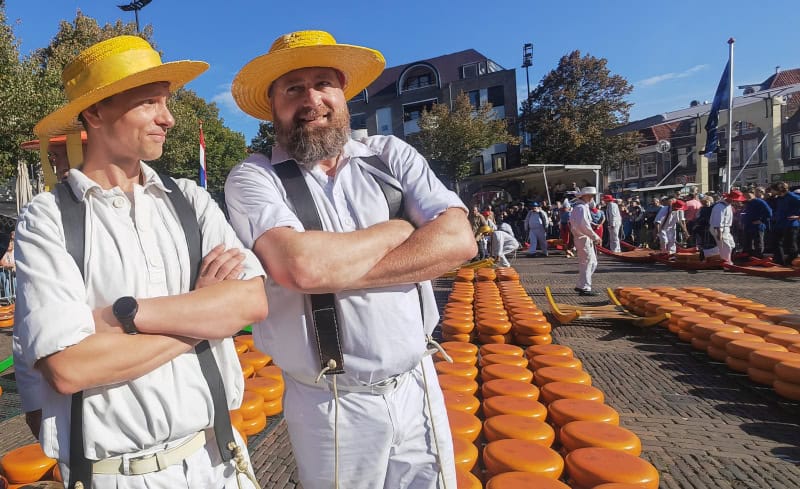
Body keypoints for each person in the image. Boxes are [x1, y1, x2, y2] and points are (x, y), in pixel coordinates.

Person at [12, 36, 268, 489]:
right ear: (95, 113)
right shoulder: (48, 217)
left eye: (165, 102)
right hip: (117, 474)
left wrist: (122, 317)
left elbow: (251, 302)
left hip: (217, 459)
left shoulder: (189, 199)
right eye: (149, 102)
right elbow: (70, 368)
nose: (168, 118)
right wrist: (205, 313)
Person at [225, 30, 476, 489]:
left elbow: (459, 241)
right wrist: (398, 231)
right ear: (273, 105)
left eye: (323, 83)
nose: (311, 100)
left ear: (343, 92)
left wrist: (330, 270)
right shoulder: (255, 177)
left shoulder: (389, 155)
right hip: (331, 401)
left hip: (417, 381)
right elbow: (302, 267)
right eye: (293, 89)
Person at [569, 187, 601, 296]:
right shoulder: (581, 208)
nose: (592, 198)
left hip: (583, 237)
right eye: (591, 195)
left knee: (590, 263)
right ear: (585, 196)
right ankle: (585, 287)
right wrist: (595, 237)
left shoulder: (581, 207)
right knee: (588, 263)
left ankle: (582, 284)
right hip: (583, 238)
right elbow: (583, 226)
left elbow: (584, 224)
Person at [710, 190, 746, 263]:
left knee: (731, 245)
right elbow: (717, 220)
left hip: (725, 228)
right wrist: (719, 233)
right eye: (737, 201)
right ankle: (726, 262)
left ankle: (708, 253)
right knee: (726, 247)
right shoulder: (719, 206)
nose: (738, 202)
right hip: (719, 228)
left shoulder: (728, 205)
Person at [771, 182, 800, 265]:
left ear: (779, 189)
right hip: (780, 224)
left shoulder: (793, 197)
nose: (772, 191)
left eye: (773, 190)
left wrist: (798, 217)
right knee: (775, 242)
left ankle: (790, 262)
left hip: (791, 224)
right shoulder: (779, 198)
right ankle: (779, 261)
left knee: (791, 245)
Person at [741, 189, 772, 259]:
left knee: (758, 243)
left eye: (748, 194)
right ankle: (748, 257)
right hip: (748, 226)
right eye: (745, 195)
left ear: (753, 194)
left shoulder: (760, 202)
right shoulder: (747, 203)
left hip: (757, 227)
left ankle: (759, 257)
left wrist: (761, 220)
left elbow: (769, 213)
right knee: (747, 243)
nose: (746, 196)